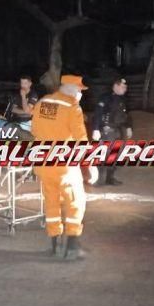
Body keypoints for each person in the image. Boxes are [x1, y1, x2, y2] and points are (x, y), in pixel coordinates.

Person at [31, 74, 98, 260]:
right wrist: (90, 164)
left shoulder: (42, 103)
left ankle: (54, 245)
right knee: (75, 201)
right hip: (64, 166)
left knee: (51, 201)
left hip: (43, 162)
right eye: (78, 89)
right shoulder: (72, 108)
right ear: (69, 88)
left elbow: (34, 130)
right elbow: (81, 139)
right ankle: (72, 247)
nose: (80, 94)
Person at [91, 77, 133, 185]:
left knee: (115, 155)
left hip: (118, 131)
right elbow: (98, 113)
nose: (125, 89)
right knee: (103, 154)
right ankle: (99, 179)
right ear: (115, 86)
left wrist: (128, 127)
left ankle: (110, 178)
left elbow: (126, 115)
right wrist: (95, 129)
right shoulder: (105, 98)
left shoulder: (123, 100)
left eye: (126, 87)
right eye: (123, 87)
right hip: (106, 130)